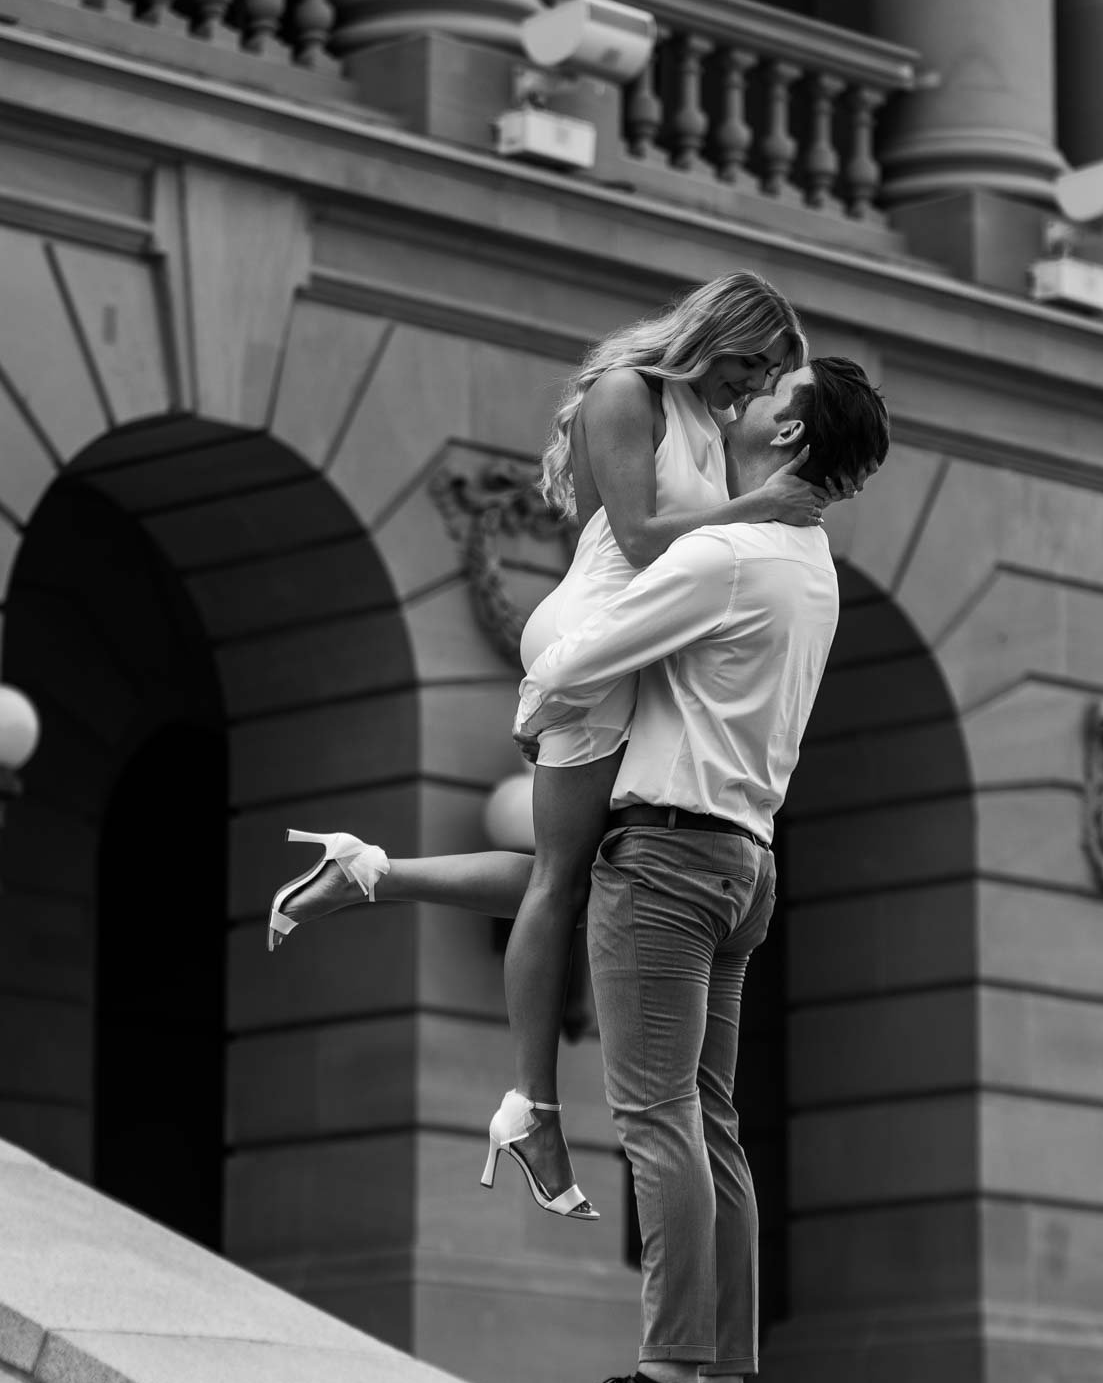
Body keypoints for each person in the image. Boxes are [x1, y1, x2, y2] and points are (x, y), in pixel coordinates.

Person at [266, 272, 833, 1220]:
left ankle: (366, 873)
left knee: (584, 878)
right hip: (594, 645)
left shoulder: (704, 417)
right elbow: (643, 541)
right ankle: (530, 1106)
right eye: (749, 364)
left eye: (767, 377)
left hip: (627, 649)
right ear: (714, 335)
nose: (750, 386)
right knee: (565, 882)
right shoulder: (626, 393)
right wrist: (758, 508)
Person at [511, 354, 889, 1383]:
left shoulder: (725, 554)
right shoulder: (810, 566)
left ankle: (668, 1377)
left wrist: (537, 711)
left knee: (655, 1116)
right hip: (744, 863)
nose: (743, 398)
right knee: (709, 1122)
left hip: (668, 859)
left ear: (788, 436)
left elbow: (577, 663)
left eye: (769, 392)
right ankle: (721, 1381)